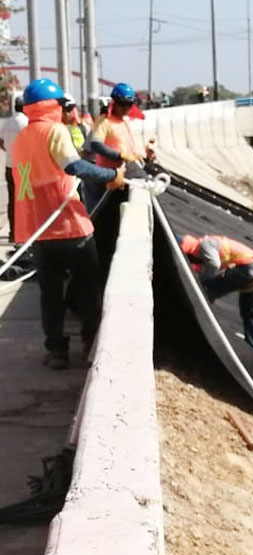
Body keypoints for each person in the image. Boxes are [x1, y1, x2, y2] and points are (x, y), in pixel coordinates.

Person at [11, 78, 125, 369]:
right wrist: (112, 176)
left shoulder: (21, 139)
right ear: (53, 106)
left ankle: (56, 351)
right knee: (88, 288)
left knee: (50, 294)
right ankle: (90, 343)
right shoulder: (55, 131)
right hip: (70, 226)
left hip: (39, 231)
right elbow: (73, 167)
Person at [84, 82, 148, 275]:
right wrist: (118, 156)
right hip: (109, 179)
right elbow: (96, 145)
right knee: (105, 225)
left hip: (123, 178)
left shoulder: (123, 122)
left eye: (129, 105)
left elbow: (126, 146)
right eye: (123, 105)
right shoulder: (105, 121)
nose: (126, 109)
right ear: (115, 103)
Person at [178, 233, 253, 353]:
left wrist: (202, 283)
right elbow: (205, 266)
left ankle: (193, 329)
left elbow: (213, 265)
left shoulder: (205, 245)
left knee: (205, 293)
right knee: (249, 313)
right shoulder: (209, 246)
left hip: (248, 268)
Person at [1, 95, 28, 240]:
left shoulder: (8, 123)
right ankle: (23, 232)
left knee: (12, 200)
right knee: (23, 200)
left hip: (9, 166)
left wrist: (10, 151)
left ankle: (13, 232)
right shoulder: (25, 123)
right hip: (23, 168)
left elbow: (1, 142)